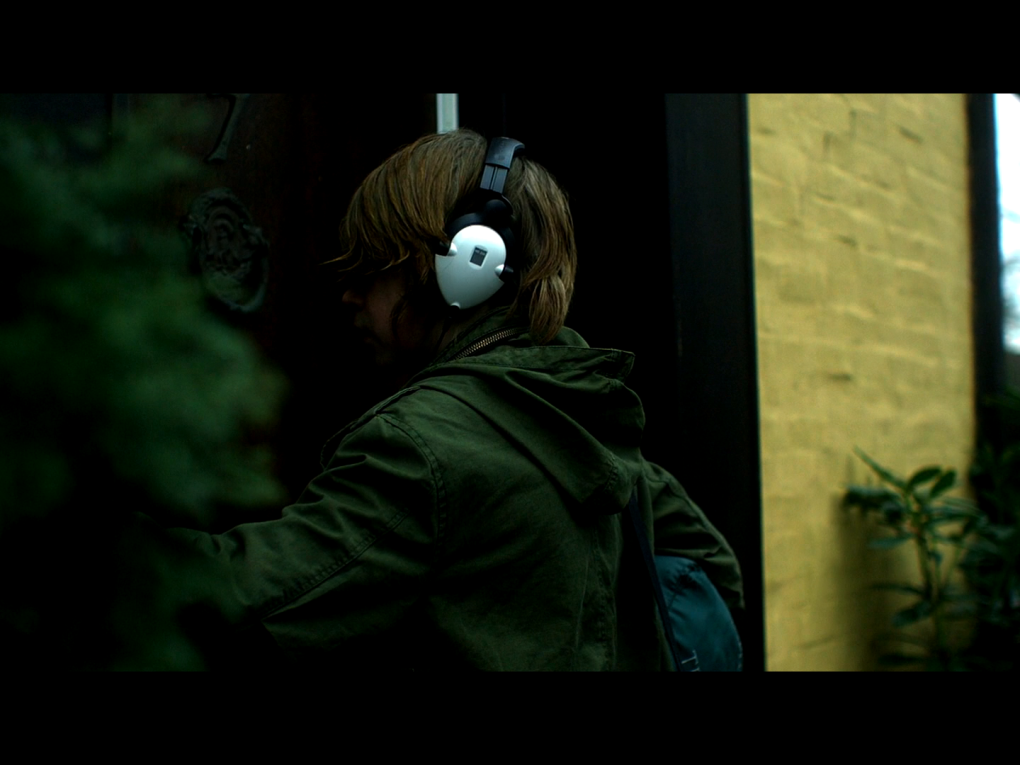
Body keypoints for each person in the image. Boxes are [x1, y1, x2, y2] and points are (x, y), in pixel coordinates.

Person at [168, 128, 743, 670]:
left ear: (466, 265)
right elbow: (715, 568)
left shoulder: (419, 449)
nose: (349, 296)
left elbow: (242, 596)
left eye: (372, 270)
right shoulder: (587, 408)